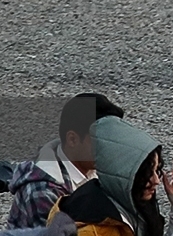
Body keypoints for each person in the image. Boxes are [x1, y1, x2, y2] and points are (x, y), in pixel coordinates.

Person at [9, 92, 126, 228]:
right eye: (100, 141)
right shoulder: (43, 192)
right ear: (72, 139)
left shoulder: (90, 167)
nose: (108, 148)